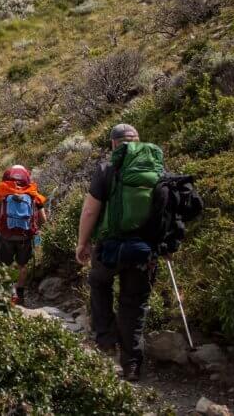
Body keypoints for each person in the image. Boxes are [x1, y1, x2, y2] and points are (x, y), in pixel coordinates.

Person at [75, 123, 164, 382]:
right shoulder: (156, 168)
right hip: (144, 251)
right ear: (138, 140)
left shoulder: (106, 169)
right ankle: (132, 365)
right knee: (134, 305)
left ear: (113, 144)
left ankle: (105, 339)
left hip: (110, 248)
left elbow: (90, 210)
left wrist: (83, 243)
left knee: (99, 284)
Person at [0, 165, 47, 305]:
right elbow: (43, 219)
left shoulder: (1, 191)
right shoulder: (33, 193)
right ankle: (20, 295)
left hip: (5, 235)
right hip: (25, 236)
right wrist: (33, 228)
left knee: (3, 265)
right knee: (22, 265)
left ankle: (5, 294)